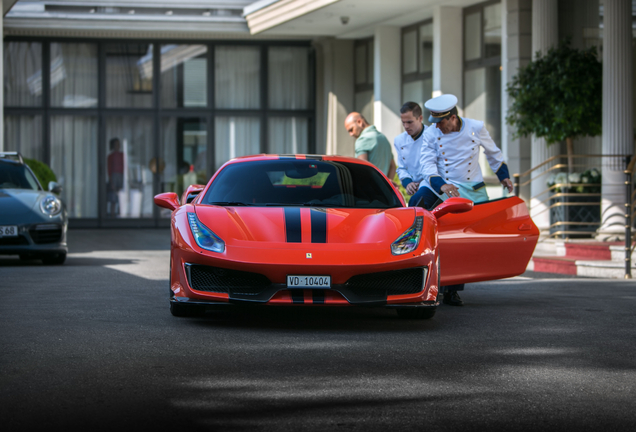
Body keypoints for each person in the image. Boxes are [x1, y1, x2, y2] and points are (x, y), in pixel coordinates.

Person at [419, 94, 514, 306]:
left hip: (470, 188)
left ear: (453, 117)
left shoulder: (476, 127)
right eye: (434, 122)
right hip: (441, 186)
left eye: (441, 122)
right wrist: (441, 184)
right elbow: (427, 163)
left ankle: (452, 290)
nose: (437, 127)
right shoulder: (431, 133)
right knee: (416, 205)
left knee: (460, 236)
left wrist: (504, 176)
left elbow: (493, 153)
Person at [393, 101, 432, 207]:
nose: (406, 126)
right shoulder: (399, 140)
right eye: (403, 122)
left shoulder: (432, 136)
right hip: (413, 186)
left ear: (420, 118)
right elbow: (401, 168)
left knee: (415, 202)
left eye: (409, 122)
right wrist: (408, 183)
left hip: (430, 184)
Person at [344, 112, 396, 181]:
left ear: (359, 122)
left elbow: (362, 170)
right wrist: (388, 183)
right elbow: (393, 166)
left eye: (351, 129)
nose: (351, 134)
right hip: (383, 190)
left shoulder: (362, 139)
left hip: (369, 189)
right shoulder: (383, 138)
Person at [107, 137, 124, 217]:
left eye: (118, 144)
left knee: (122, 197)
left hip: (122, 176)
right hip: (114, 177)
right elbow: (109, 170)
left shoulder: (122, 155)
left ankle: (121, 214)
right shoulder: (110, 156)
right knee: (113, 198)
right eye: (116, 144)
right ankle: (112, 216)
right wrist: (111, 181)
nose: (117, 146)